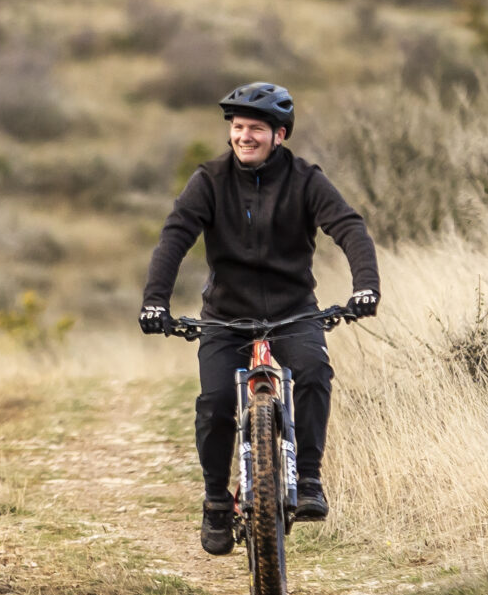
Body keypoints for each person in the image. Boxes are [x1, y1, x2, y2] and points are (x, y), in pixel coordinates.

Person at [140, 81, 379, 554]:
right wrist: (155, 300)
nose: (244, 136)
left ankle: (308, 479)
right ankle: (214, 501)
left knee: (313, 374)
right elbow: (175, 236)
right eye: (237, 127)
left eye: (255, 129)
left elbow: (348, 226)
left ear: (280, 135)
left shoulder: (307, 180)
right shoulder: (209, 181)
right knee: (213, 403)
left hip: (293, 312)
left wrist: (366, 285)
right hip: (225, 316)